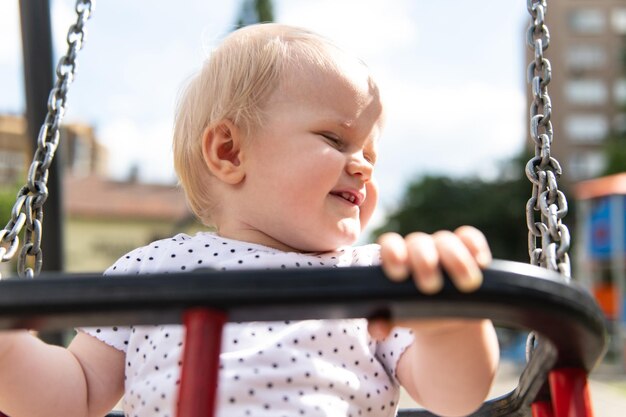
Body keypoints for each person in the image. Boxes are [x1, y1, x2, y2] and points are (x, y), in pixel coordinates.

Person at [0, 23, 498, 417]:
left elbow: (453, 398)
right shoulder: (153, 268)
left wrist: (451, 327)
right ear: (229, 151)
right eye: (334, 139)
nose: (364, 165)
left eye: (371, 153)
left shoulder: (374, 275)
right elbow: (74, 394)